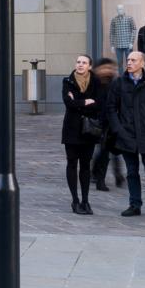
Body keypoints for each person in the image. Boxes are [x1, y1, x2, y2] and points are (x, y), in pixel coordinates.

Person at [110, 49, 145, 218]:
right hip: (127, 135)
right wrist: (119, 130)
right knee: (132, 172)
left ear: (142, 63)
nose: (129, 63)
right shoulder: (119, 83)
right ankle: (135, 204)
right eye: (128, 60)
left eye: (133, 60)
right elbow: (111, 108)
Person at [59, 53, 102, 216]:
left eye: (84, 62)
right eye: (78, 62)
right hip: (71, 129)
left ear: (90, 66)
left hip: (89, 130)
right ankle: (75, 200)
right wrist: (85, 102)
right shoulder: (68, 81)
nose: (80, 65)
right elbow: (68, 103)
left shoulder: (96, 82)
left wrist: (77, 102)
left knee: (85, 166)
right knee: (72, 163)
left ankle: (85, 200)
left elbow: (99, 103)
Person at [89, 57, 122, 192]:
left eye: (110, 68)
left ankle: (115, 174)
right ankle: (99, 177)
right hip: (99, 122)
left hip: (113, 122)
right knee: (104, 150)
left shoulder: (115, 84)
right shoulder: (94, 84)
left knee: (113, 150)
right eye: (104, 68)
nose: (107, 70)